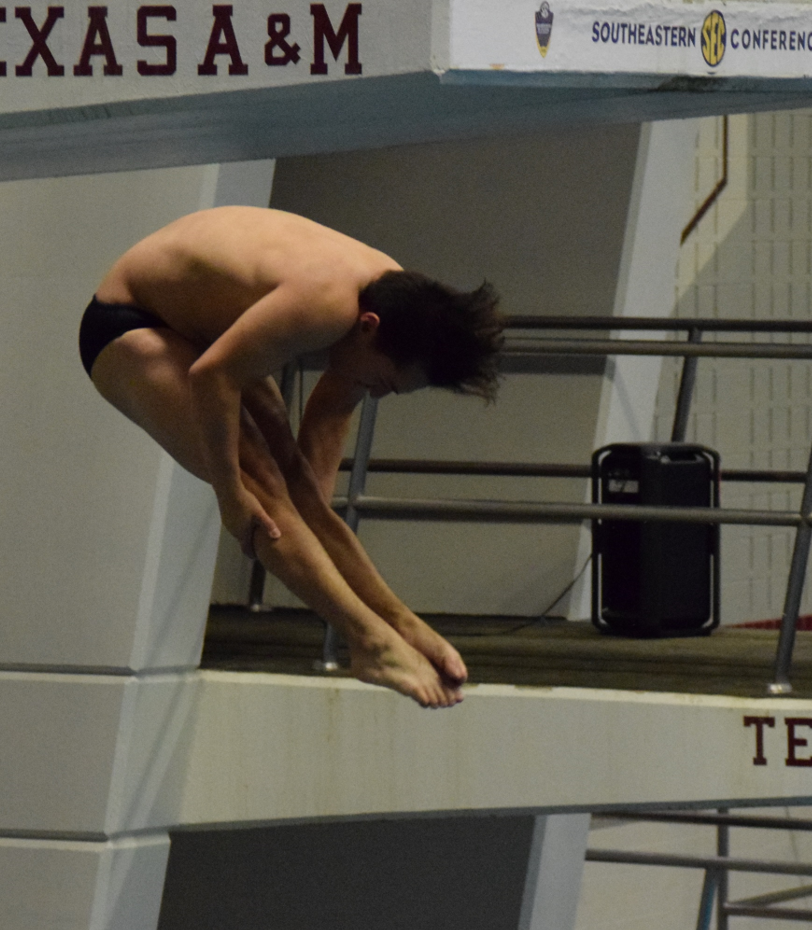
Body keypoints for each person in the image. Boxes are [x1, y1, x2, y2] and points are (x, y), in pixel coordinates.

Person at [80, 206, 502, 708]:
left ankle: (400, 624)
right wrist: (232, 496)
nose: (379, 395)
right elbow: (211, 377)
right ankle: (369, 643)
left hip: (196, 326)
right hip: (127, 321)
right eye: (384, 383)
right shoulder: (327, 303)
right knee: (259, 482)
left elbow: (325, 417)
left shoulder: (393, 299)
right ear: (367, 327)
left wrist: (308, 525)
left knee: (294, 489)